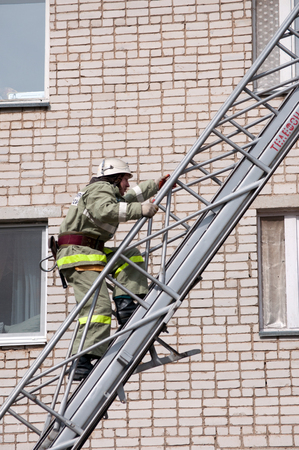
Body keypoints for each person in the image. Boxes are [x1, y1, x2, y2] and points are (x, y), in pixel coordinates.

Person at [56, 158, 168, 380]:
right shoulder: (99, 189)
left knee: (130, 256)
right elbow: (105, 211)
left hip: (92, 251)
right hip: (79, 254)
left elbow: (127, 198)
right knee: (98, 309)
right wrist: (141, 209)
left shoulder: (107, 191)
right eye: (125, 179)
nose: (127, 184)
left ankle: (127, 303)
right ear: (115, 178)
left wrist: (156, 185)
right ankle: (83, 359)